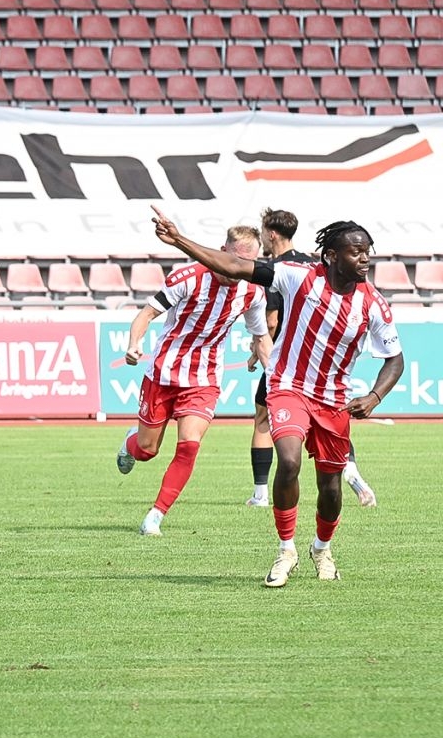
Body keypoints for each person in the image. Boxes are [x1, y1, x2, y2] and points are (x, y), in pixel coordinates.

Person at [151, 208, 402, 587]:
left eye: (368, 251)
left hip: (333, 399)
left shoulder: (373, 304)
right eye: (356, 251)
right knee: (288, 461)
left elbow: (395, 359)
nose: (365, 258)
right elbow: (235, 266)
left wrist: (375, 396)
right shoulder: (299, 277)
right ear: (332, 256)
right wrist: (180, 240)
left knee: (330, 486)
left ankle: (321, 548)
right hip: (288, 387)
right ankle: (286, 550)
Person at [115, 225, 272, 536]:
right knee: (147, 450)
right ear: (223, 252)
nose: (239, 269)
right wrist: (134, 345)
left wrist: (276, 379)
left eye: (248, 263)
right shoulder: (188, 278)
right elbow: (146, 315)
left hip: (204, 379)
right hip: (163, 373)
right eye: (236, 259)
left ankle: (155, 516)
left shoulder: (253, 291)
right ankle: (131, 443)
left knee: (189, 446)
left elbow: (261, 337)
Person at [249, 208, 375, 510]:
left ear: (271, 234)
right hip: (328, 371)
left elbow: (272, 321)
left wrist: (260, 350)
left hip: (289, 365)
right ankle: (350, 467)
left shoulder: (284, 269)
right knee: (326, 417)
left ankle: (261, 492)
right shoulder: (312, 262)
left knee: (264, 418)